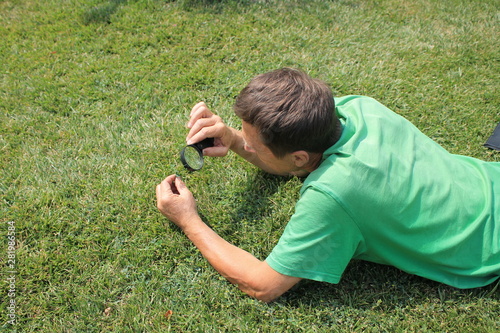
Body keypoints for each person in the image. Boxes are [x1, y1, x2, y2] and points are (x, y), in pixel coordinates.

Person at [156, 68, 500, 303]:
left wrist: (189, 219)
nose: (247, 146)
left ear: (301, 159)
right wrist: (232, 138)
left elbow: (263, 284)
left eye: (253, 144)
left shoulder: (333, 195)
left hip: (484, 252)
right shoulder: (359, 108)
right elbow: (288, 161)